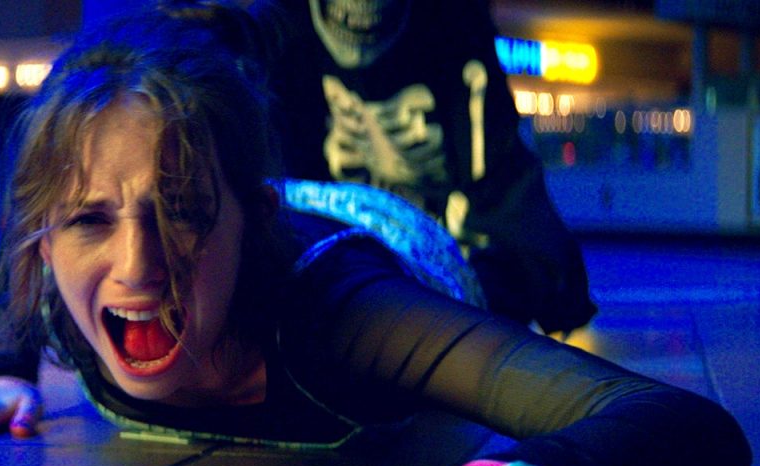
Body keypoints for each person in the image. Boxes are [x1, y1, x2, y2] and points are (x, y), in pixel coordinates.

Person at [0, 2, 751, 466]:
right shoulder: (59, 280)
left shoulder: (342, 313)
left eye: (182, 211)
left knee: (519, 284)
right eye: (89, 220)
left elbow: (685, 423)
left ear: (250, 220)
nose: (138, 266)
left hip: (385, 235)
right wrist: (2, 369)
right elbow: (24, 248)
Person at [250, 0, 598, 335]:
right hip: (333, 282)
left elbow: (503, 193)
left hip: (443, 285)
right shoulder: (279, 35)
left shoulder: (457, 32)